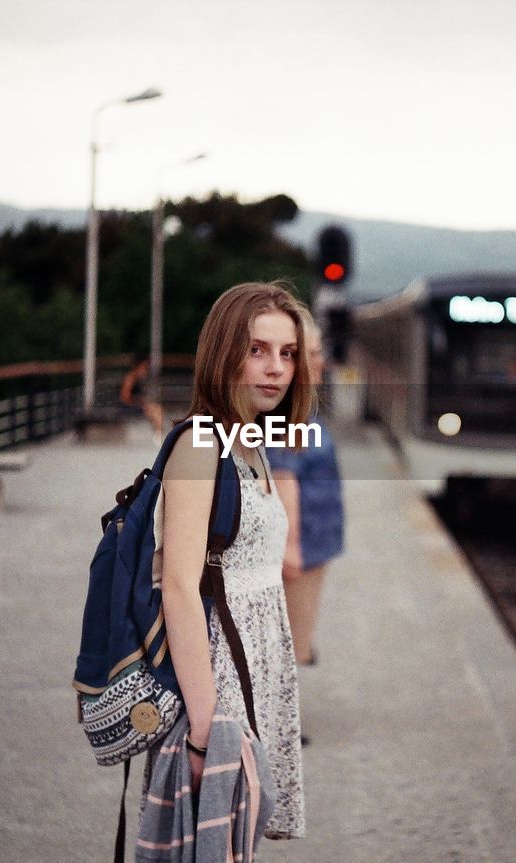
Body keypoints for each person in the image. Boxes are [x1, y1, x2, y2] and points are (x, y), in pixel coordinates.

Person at [156, 281, 311, 843]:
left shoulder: (251, 443)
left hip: (257, 673)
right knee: (205, 845)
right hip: (218, 681)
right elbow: (178, 586)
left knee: (231, 845)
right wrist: (203, 732)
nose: (275, 368)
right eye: (257, 350)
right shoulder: (200, 446)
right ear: (224, 352)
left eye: (287, 353)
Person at [270, 308, 345, 670]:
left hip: (314, 547)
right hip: (302, 552)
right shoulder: (290, 416)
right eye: (312, 354)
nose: (321, 362)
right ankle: (282, 728)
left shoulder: (301, 411)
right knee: (290, 649)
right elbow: (284, 482)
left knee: (294, 641)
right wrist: (291, 549)